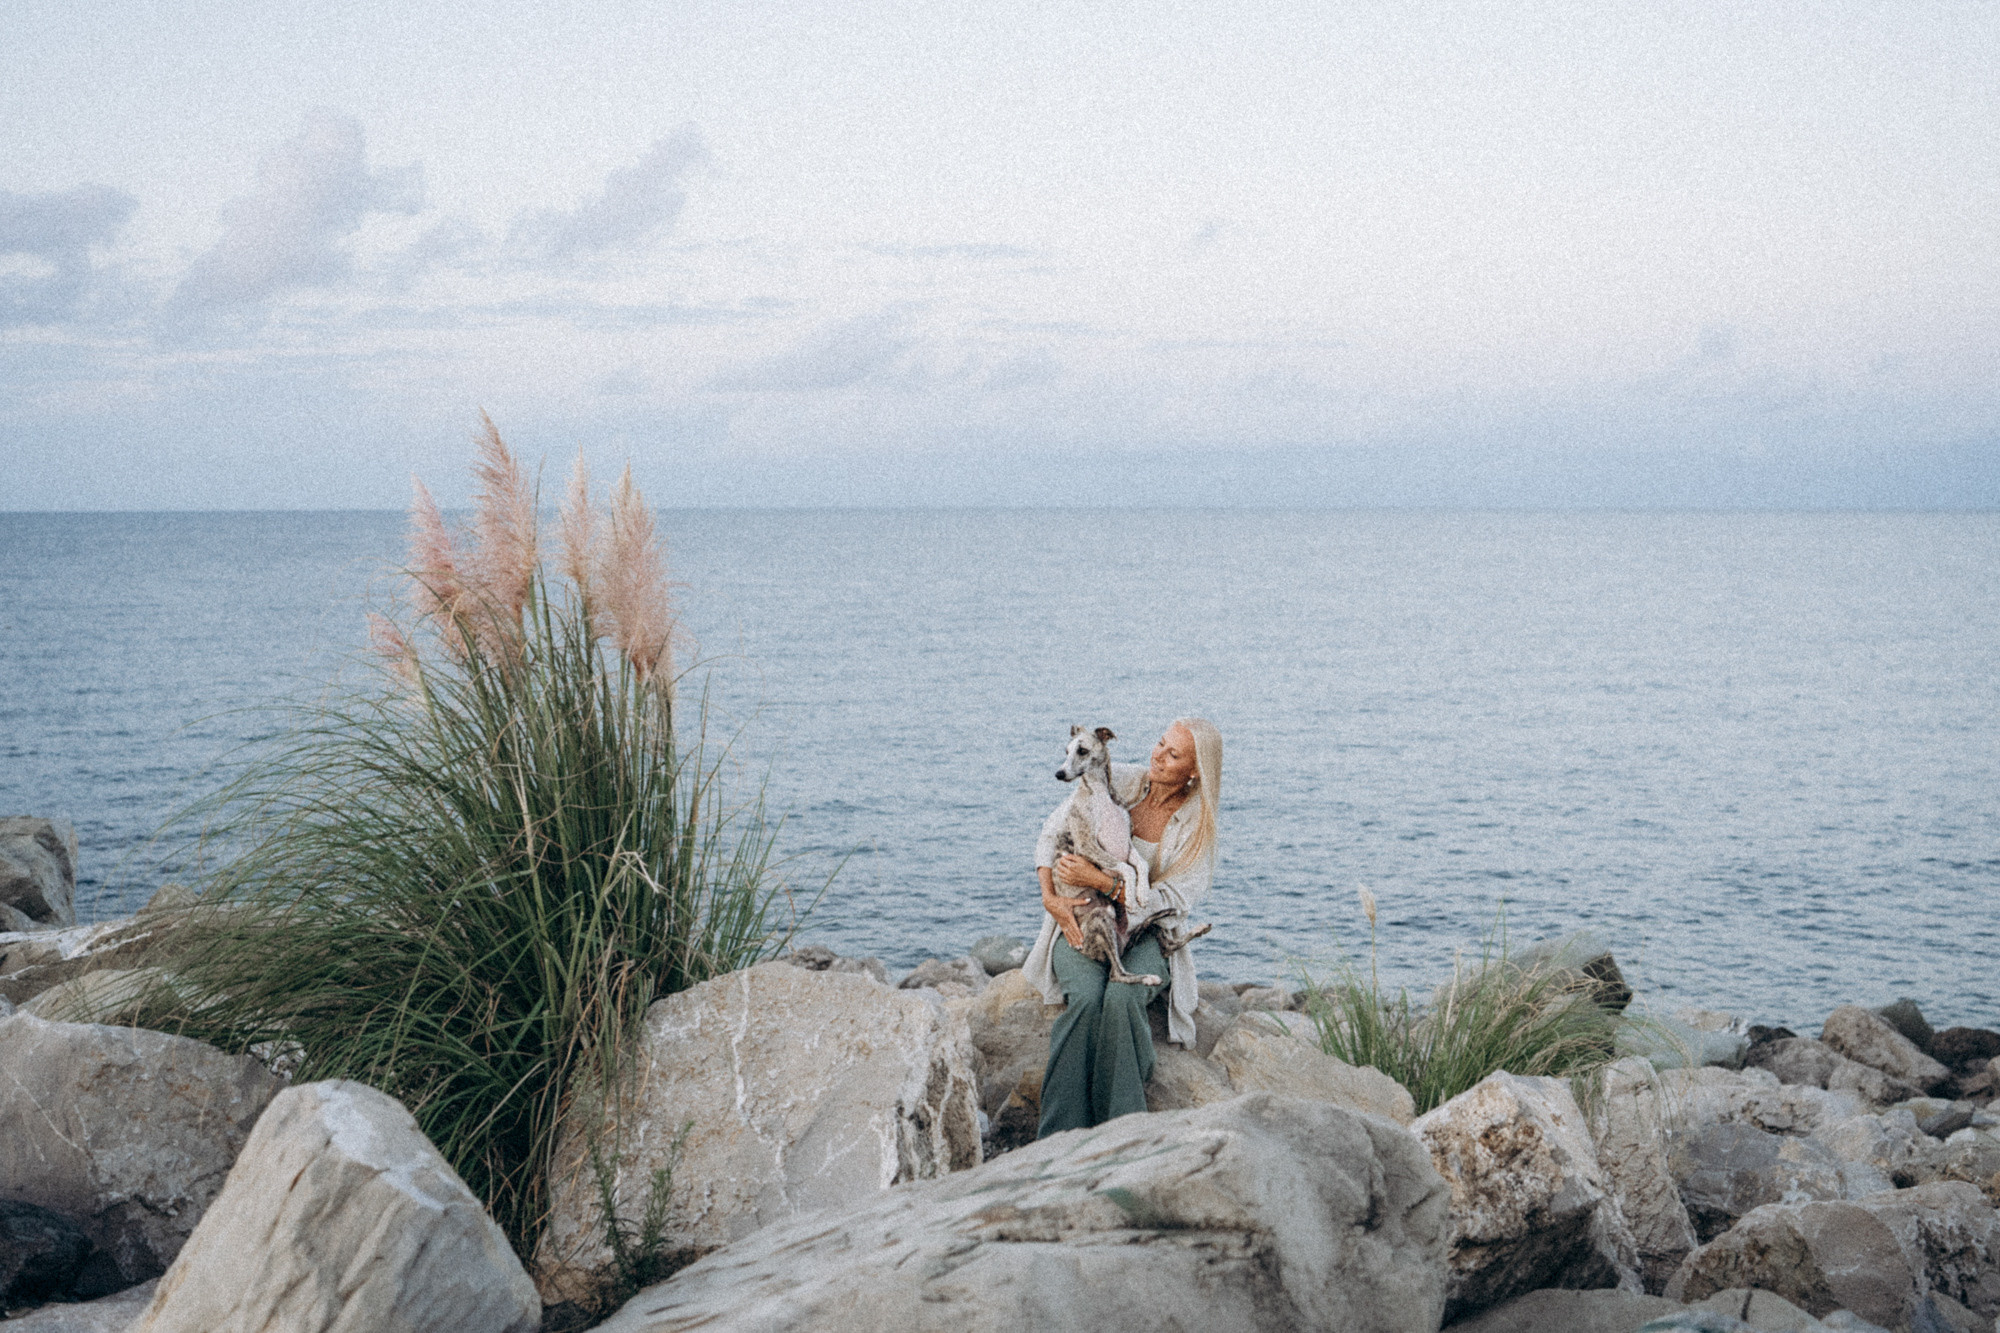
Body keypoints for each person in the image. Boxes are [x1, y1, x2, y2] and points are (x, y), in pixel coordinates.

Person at [1023, 717, 1222, 1138]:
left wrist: (1106, 883)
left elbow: (1173, 901)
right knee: (1087, 998)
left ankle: (1123, 1132)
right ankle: (1058, 1134)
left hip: (1148, 932)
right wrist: (1051, 899)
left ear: (1194, 771)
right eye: (1160, 744)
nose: (1159, 757)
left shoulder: (1197, 827)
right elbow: (1049, 834)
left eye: (1173, 755)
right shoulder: (1121, 780)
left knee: (1122, 996)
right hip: (1080, 917)